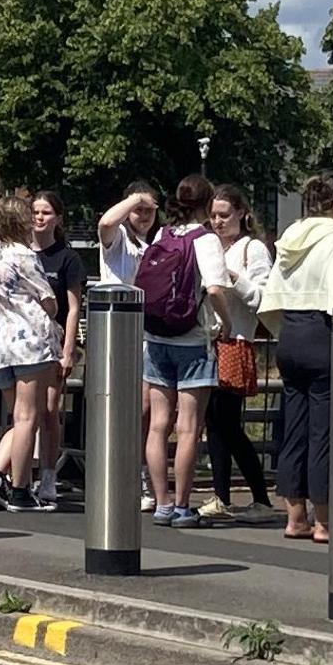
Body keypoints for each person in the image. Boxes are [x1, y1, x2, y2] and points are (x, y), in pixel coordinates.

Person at [105, 177, 218, 527]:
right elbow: (214, 289)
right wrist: (224, 324)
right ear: (208, 203)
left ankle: (162, 503)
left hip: (156, 339)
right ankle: (184, 506)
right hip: (192, 340)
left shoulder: (163, 236)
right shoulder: (206, 239)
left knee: (157, 425)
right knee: (187, 428)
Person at [262, 176, 333, 545]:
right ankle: (324, 522)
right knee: (323, 433)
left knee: (294, 430)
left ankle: (294, 517)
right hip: (323, 336)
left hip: (290, 334)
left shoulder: (291, 239)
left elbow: (272, 293)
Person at [0, 190, 59, 511]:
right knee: (27, 417)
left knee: (16, 416)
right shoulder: (23, 255)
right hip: (27, 343)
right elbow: (48, 300)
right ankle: (20, 489)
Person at [200, 186, 274, 520]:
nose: (217, 222)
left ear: (242, 213)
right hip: (208, 339)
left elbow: (262, 298)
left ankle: (247, 496)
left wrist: (232, 276)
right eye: (213, 215)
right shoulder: (210, 244)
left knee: (224, 422)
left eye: (224, 215)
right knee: (215, 422)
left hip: (236, 339)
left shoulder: (253, 249)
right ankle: (229, 496)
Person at [24, 191, 84, 510]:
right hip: (22, 343)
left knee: (48, 410)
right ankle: (19, 475)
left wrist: (68, 350)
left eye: (46, 212)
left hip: (53, 340)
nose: (39, 217)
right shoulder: (20, 253)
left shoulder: (67, 258)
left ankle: (47, 476)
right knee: (22, 411)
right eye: (35, 211)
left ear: (57, 217)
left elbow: (73, 307)